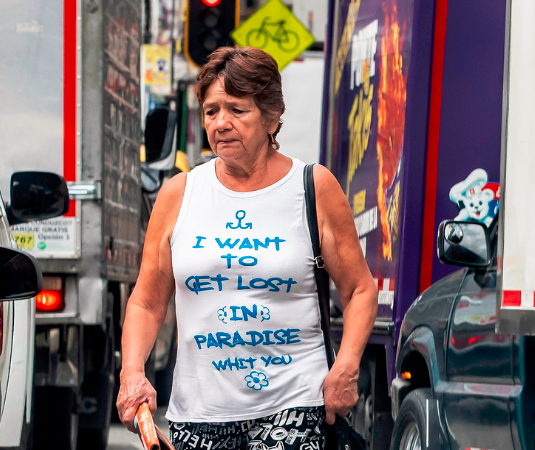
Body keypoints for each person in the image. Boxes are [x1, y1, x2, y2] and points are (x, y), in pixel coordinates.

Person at [115, 46, 378, 449]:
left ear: (271, 117)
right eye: (211, 111)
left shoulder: (313, 187)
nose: (221, 123)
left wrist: (345, 368)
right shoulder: (179, 194)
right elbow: (146, 303)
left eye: (237, 110)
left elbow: (359, 289)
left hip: (295, 406)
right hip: (199, 416)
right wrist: (132, 373)